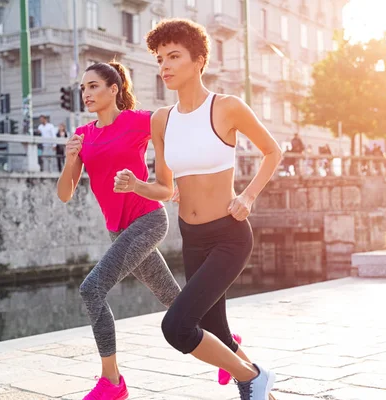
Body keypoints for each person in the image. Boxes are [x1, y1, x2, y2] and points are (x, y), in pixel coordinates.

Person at [114, 19, 282, 400]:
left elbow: (273, 151)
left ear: (199, 61)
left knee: (178, 327)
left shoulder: (226, 108)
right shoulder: (162, 120)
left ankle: (253, 377)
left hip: (228, 235)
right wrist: (138, 186)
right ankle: (262, 392)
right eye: (160, 59)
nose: (164, 66)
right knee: (217, 332)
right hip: (192, 238)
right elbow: (165, 187)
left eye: (174, 56)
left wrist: (249, 196)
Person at [57, 61, 181, 400]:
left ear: (114, 90)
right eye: (83, 88)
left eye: (94, 86)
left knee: (91, 289)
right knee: (173, 299)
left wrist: (181, 178)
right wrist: (70, 160)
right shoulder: (83, 135)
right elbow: (65, 195)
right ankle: (226, 343)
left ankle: (112, 383)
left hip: (149, 220)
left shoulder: (136, 121)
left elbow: (174, 123)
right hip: (118, 231)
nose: (87, 93)